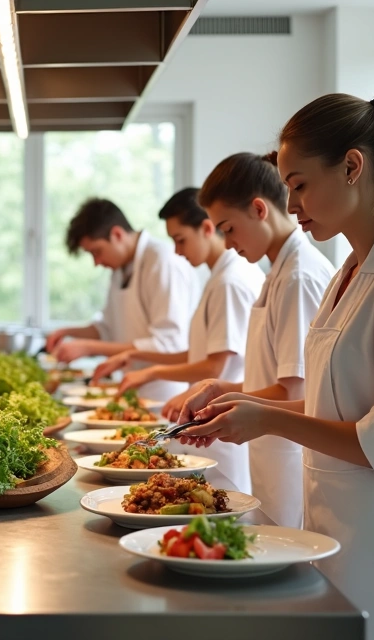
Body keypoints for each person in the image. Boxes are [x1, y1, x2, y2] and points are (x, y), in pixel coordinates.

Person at [178, 90, 374, 640]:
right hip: (337, 533)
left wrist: (268, 418)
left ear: (353, 166)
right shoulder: (347, 276)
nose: (294, 204)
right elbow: (333, 402)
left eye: (300, 184)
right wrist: (247, 402)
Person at [162, 152, 335, 528]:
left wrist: (227, 400)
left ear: (259, 209)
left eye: (228, 228)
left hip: (290, 461)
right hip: (270, 456)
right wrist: (220, 389)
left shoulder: (298, 277)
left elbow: (294, 392)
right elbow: (272, 378)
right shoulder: (278, 274)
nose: (226, 243)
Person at [91, 188, 264, 492]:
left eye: (180, 239)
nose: (177, 251)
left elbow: (215, 366)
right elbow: (196, 354)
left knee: (225, 509)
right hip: (215, 424)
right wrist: (140, 363)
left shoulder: (230, 281)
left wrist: (153, 371)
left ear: (207, 228)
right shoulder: (219, 278)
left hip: (224, 428)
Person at [45, 198, 199, 402]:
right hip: (130, 387)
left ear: (117, 234)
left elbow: (168, 343)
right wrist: (69, 332)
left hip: (164, 394)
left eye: (96, 251)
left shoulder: (162, 261)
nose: (96, 262)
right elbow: (107, 328)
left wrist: (89, 347)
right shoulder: (119, 269)